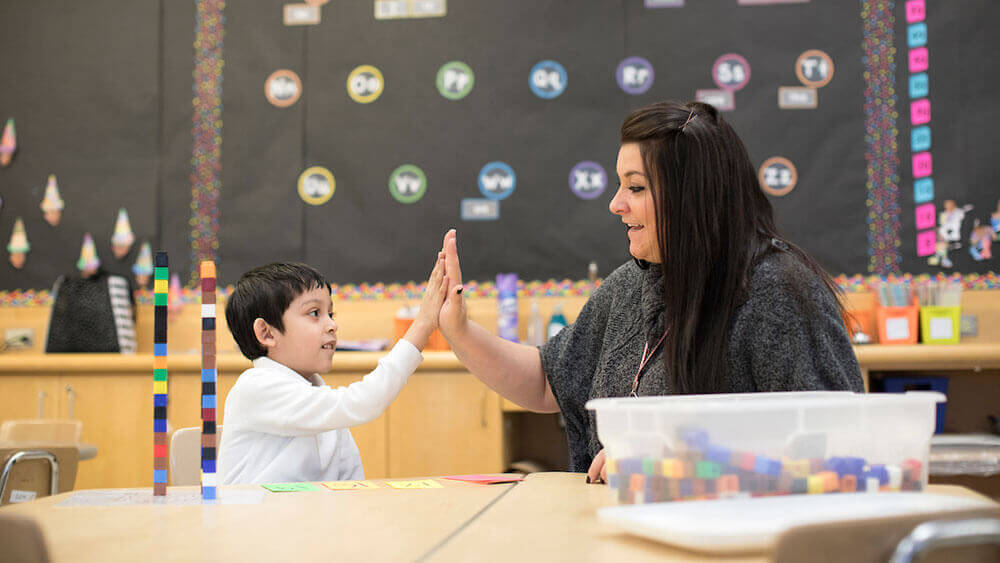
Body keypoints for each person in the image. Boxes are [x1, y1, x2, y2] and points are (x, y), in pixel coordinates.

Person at [436, 100, 864, 484]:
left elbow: (835, 454)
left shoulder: (778, 292)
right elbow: (550, 382)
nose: (616, 204)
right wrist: (460, 331)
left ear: (692, 196)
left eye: (636, 188)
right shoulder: (632, 283)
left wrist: (666, 463)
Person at [218, 257, 447, 484]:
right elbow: (363, 402)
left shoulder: (322, 402)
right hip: (251, 520)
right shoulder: (256, 387)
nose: (332, 325)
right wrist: (423, 325)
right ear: (267, 333)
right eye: (314, 313)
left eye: (331, 314)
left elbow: (350, 481)